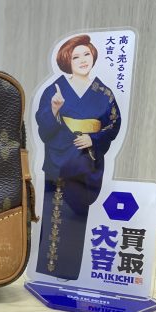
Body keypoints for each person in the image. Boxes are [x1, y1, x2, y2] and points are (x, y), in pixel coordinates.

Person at [35, 34, 121, 280]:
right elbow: (43, 127)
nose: (83, 60)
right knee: (55, 213)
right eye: (75, 57)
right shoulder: (55, 89)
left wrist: (93, 139)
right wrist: (54, 108)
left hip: (85, 160)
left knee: (76, 217)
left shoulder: (103, 92)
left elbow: (113, 124)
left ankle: (68, 271)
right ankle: (49, 269)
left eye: (86, 54)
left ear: (93, 56)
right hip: (60, 160)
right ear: (66, 61)